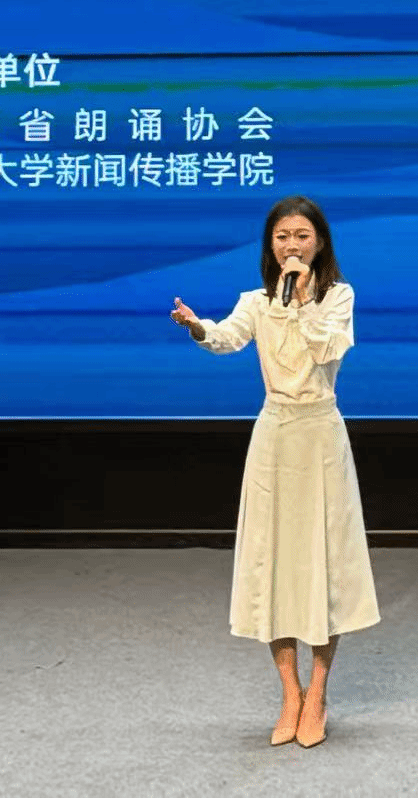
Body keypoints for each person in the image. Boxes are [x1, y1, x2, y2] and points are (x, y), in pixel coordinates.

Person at [170, 195, 379, 749]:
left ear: (320, 242)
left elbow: (328, 351)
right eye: (282, 236)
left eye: (302, 236)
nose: (292, 245)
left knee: (324, 566)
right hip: (274, 437)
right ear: (270, 244)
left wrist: (304, 300)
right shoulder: (256, 301)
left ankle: (319, 693)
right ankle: (290, 693)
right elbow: (227, 338)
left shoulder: (338, 297)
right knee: (273, 565)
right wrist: (196, 327)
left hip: (320, 435)